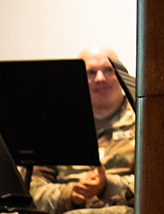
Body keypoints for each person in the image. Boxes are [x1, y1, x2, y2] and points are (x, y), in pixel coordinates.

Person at [29, 46, 135, 214]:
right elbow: (30, 189)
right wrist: (70, 194)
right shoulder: (54, 126)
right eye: (91, 73)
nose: (100, 78)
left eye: (108, 70)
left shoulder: (145, 121)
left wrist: (108, 185)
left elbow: (159, 184)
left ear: (122, 75)